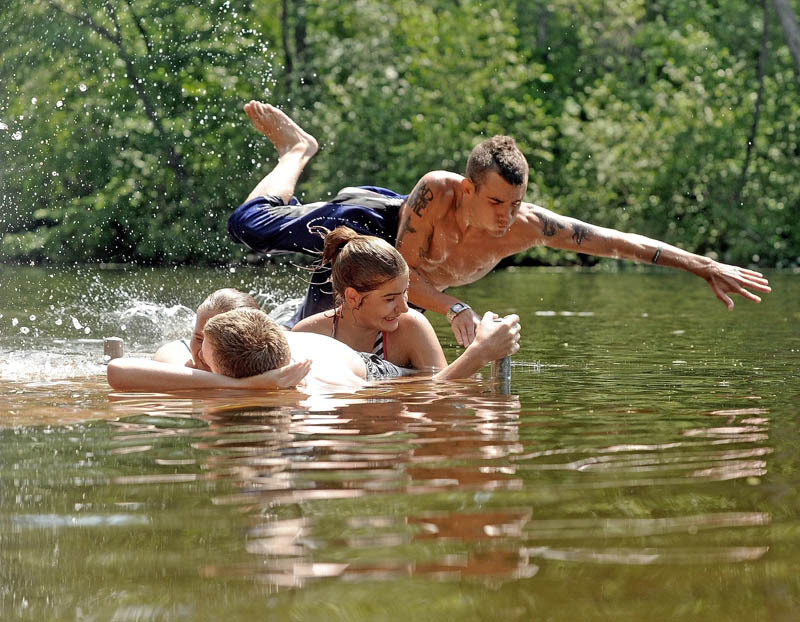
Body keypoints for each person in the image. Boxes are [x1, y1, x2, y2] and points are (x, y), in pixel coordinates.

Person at [228, 101, 771, 346]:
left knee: (319, 340)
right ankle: (298, 149)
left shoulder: (527, 226)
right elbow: (404, 272)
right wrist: (456, 307)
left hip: (389, 283)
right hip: (373, 228)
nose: (505, 217)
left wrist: (700, 265)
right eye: (494, 203)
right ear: (469, 189)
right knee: (248, 224)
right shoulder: (436, 190)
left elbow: (619, 242)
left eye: (514, 203)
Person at [107, 306, 515, 394]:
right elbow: (118, 369)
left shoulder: (315, 390)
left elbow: (432, 392)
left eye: (203, 354)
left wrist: (478, 352)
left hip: (371, 370)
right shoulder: (255, 374)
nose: (194, 358)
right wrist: (249, 387)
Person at [292, 226, 520, 380]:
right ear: (353, 297)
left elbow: (441, 399)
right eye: (390, 299)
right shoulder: (308, 334)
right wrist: (478, 354)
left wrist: (481, 352)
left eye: (405, 294)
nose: (403, 308)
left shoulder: (411, 327)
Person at [153, 288, 260, 370]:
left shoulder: (265, 359)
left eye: (219, 343)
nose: (202, 354)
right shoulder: (174, 353)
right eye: (199, 339)